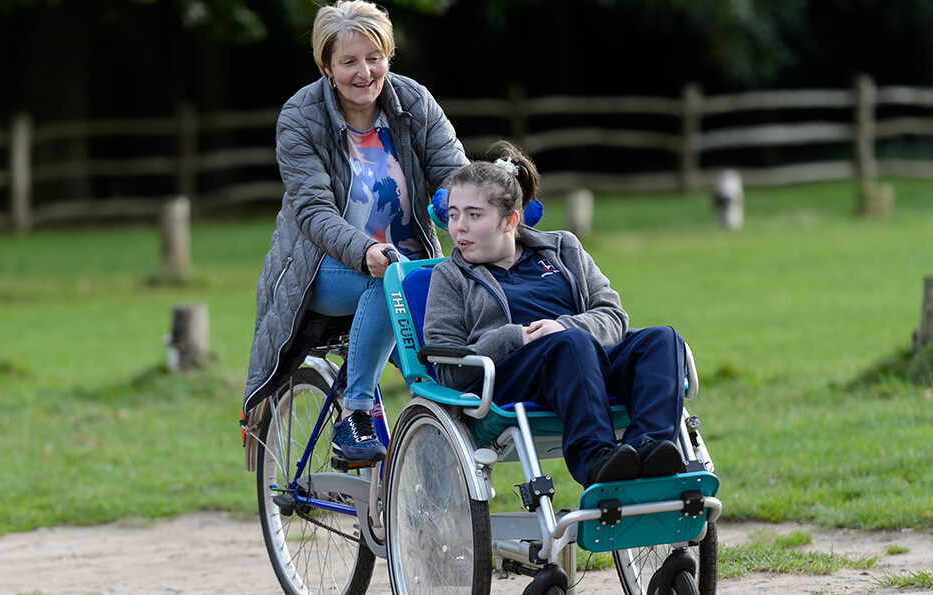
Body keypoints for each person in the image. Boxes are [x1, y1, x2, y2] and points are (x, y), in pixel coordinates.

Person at [243, 0, 468, 464]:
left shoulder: (414, 103)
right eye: (348, 61)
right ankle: (355, 413)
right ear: (327, 65)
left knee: (452, 333)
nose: (363, 72)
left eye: (374, 57)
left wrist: (461, 209)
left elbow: (452, 175)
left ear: (388, 56)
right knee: (385, 279)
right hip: (319, 268)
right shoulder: (301, 116)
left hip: (409, 263)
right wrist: (365, 249)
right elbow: (314, 211)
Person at [423, 142, 687, 488]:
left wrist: (563, 326)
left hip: (584, 362)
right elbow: (447, 365)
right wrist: (514, 337)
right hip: (509, 379)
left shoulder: (563, 248)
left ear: (510, 220)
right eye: (454, 214)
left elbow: (612, 314)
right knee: (570, 343)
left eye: (474, 215)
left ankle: (648, 448)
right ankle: (596, 459)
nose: (459, 227)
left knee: (662, 339)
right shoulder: (449, 276)